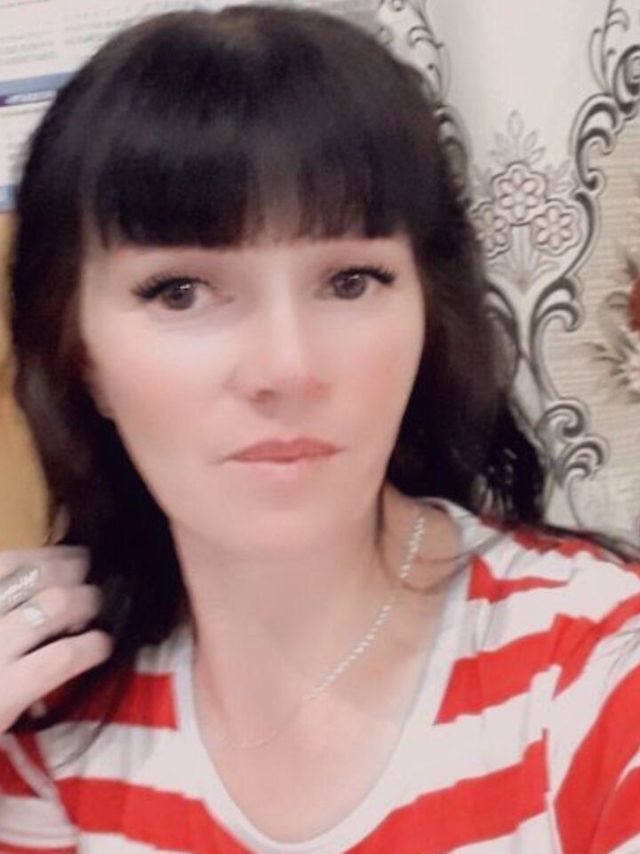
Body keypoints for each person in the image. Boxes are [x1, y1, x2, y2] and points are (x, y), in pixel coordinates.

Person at [1, 5, 639, 852]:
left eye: (350, 281)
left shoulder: (598, 669)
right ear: (78, 352)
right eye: (180, 292)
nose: (287, 367)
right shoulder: (46, 718)